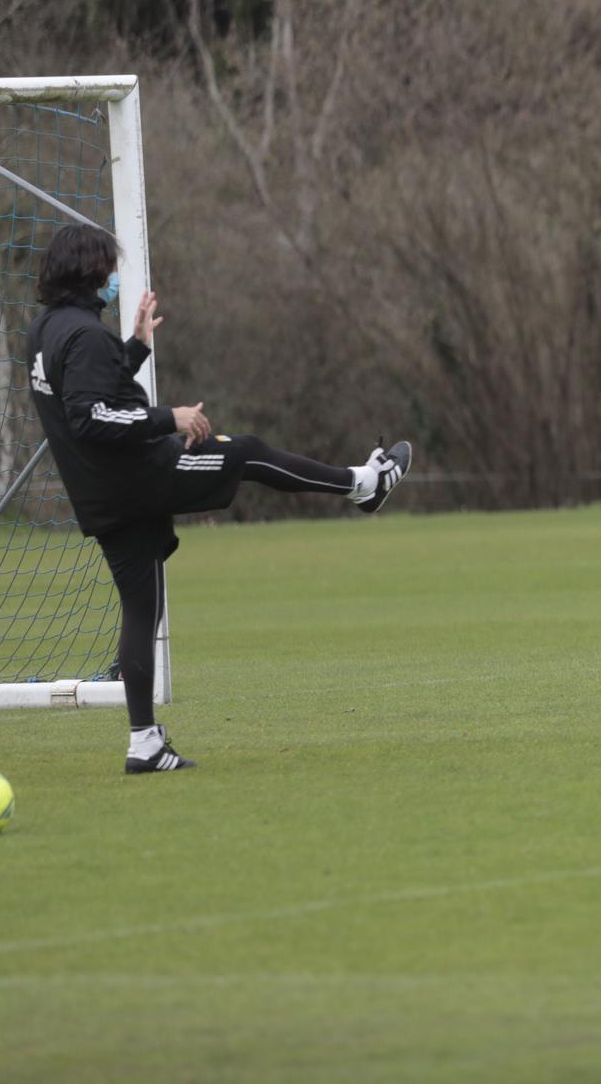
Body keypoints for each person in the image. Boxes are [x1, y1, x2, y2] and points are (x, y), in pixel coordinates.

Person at [26, 224, 411, 773]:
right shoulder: (85, 335)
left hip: (102, 497)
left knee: (140, 609)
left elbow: (88, 397)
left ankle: (144, 743)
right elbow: (91, 418)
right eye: (109, 269)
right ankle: (365, 486)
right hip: (139, 477)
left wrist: (133, 349)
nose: (113, 278)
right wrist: (171, 417)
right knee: (247, 452)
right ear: (90, 271)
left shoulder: (44, 331)